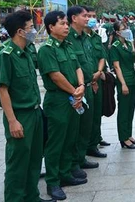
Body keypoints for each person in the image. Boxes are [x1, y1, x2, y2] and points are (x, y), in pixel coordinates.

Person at [0, 11, 53, 202]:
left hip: (35, 112)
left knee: (34, 159)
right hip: (20, 115)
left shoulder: (27, 51)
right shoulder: (6, 54)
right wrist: (12, 121)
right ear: (20, 31)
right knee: (18, 163)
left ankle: (32, 197)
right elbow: (3, 90)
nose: (34, 31)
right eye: (30, 28)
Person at [38, 11, 87, 200]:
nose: (66, 26)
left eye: (67, 23)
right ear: (51, 27)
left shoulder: (67, 45)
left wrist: (81, 86)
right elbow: (55, 76)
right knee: (56, 143)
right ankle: (53, 182)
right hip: (58, 100)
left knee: (70, 138)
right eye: (62, 23)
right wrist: (74, 91)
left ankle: (66, 173)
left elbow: (77, 67)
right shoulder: (46, 49)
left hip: (74, 97)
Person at [66, 6, 98, 177]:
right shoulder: (68, 37)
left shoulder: (85, 37)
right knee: (75, 128)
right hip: (75, 90)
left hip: (88, 85)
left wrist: (93, 80)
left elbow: (89, 60)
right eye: (84, 16)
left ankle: (81, 157)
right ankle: (72, 164)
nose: (88, 19)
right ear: (74, 18)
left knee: (86, 124)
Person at [110, 21, 135, 148]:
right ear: (117, 32)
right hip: (124, 80)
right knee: (123, 110)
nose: (126, 30)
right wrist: (123, 84)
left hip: (133, 79)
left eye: (126, 27)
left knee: (131, 109)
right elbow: (117, 67)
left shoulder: (128, 44)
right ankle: (123, 138)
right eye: (123, 28)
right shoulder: (115, 47)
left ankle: (129, 134)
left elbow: (133, 59)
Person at [83, 6, 109, 157]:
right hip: (85, 82)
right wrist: (90, 78)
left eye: (93, 15)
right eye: (87, 15)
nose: (90, 19)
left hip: (97, 78)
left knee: (96, 112)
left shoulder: (96, 37)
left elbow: (102, 56)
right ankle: (88, 144)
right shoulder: (77, 38)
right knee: (87, 115)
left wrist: (99, 73)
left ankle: (95, 141)